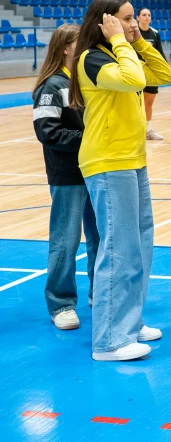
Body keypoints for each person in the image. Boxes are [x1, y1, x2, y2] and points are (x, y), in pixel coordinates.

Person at [69, 0, 171, 361]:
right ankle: (109, 340)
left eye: (134, 18)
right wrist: (119, 39)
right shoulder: (92, 58)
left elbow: (163, 75)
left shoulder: (122, 50)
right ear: (105, 22)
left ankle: (129, 322)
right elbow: (133, 80)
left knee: (141, 244)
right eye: (126, 19)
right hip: (108, 160)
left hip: (133, 159)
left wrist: (137, 40)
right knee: (119, 247)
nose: (133, 24)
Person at [32, 24, 99, 331]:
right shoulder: (51, 86)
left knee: (99, 237)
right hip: (67, 175)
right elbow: (48, 131)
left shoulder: (82, 81)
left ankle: (99, 292)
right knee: (66, 240)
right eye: (78, 42)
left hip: (95, 170)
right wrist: (89, 139)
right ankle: (61, 303)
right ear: (65, 49)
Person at [137, 8, 166, 140]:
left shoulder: (155, 33)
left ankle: (148, 131)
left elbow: (159, 54)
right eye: (144, 15)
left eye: (149, 15)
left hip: (150, 73)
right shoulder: (132, 33)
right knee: (136, 103)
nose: (147, 17)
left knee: (148, 103)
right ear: (138, 17)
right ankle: (136, 131)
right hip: (136, 72)